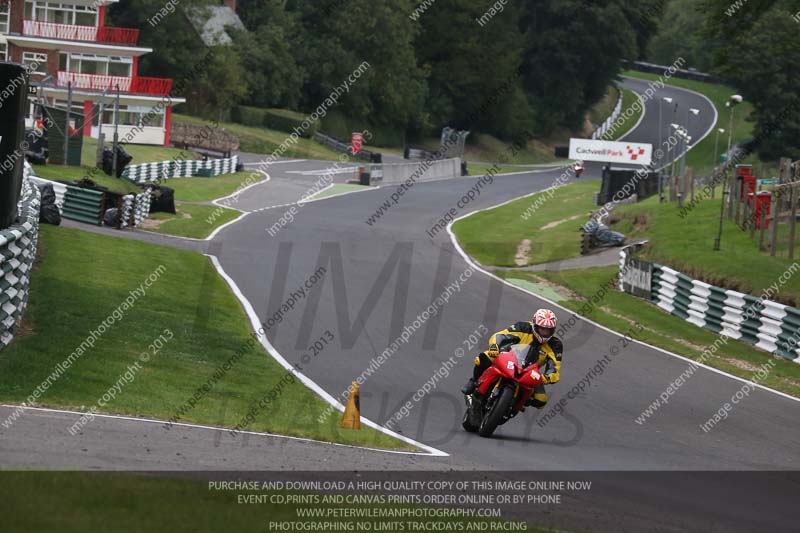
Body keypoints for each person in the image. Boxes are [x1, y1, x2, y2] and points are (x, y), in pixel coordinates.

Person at [462, 309, 563, 409]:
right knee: (484, 357)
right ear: (535, 325)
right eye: (542, 329)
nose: (545, 332)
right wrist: (494, 346)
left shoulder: (555, 344)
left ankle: (516, 404)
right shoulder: (523, 327)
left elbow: (555, 368)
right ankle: (474, 381)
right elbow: (501, 335)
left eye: (548, 330)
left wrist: (546, 378)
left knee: (541, 401)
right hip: (510, 358)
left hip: (530, 372)